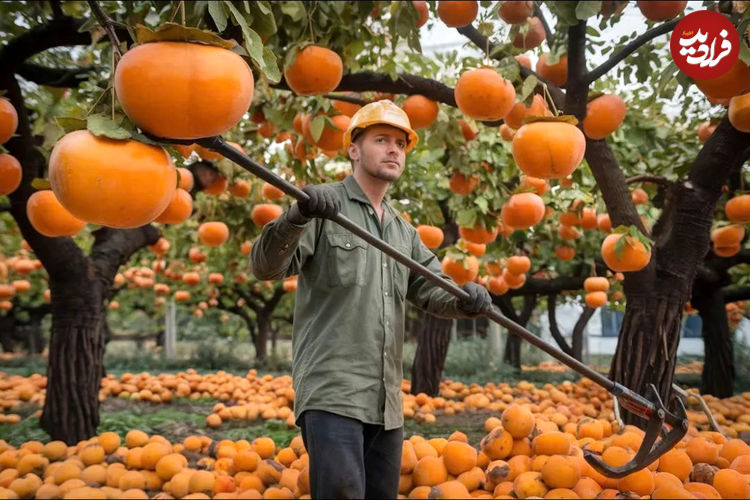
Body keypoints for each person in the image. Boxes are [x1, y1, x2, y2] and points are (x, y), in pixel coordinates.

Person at [251, 100, 493, 499]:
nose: (394, 149)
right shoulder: (322, 206)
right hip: (333, 391)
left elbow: (431, 288)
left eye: (400, 142)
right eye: (381, 140)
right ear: (354, 149)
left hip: (385, 399)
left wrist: (464, 300)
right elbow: (265, 267)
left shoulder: (403, 231)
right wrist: (297, 215)